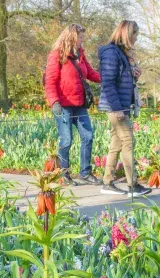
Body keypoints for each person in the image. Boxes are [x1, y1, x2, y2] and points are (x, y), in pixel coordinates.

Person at [44, 23, 102, 185]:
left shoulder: (80, 54)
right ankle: (64, 174)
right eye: (81, 37)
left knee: (88, 136)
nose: (83, 39)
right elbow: (50, 81)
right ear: (72, 37)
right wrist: (54, 101)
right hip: (63, 105)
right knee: (66, 140)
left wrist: (106, 79)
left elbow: (90, 73)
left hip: (79, 104)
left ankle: (85, 172)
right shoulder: (56, 55)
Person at [98, 20, 151, 197]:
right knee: (128, 142)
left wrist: (133, 75)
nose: (136, 38)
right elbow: (108, 83)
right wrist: (117, 108)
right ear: (127, 34)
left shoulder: (121, 53)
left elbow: (121, 81)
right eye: (135, 34)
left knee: (117, 144)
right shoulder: (111, 53)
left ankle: (107, 182)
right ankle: (132, 185)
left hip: (121, 105)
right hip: (116, 107)